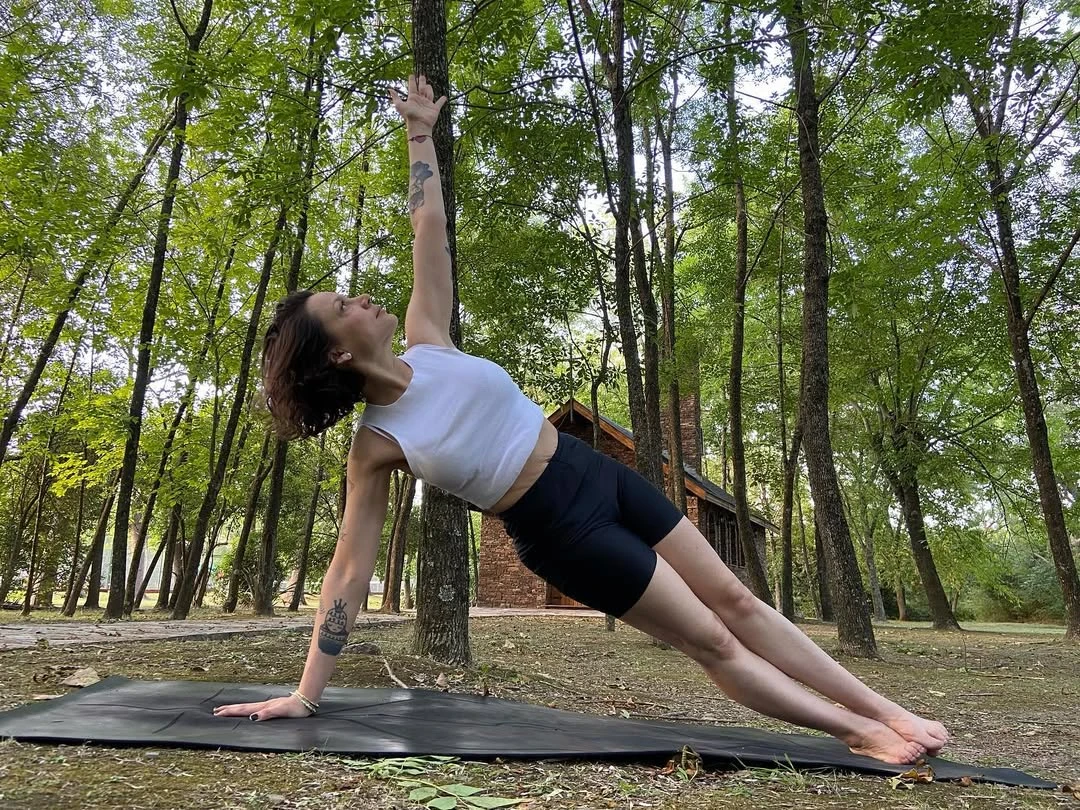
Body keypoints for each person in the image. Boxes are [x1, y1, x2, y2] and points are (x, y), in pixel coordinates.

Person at [214, 75, 948, 765]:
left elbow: (427, 224)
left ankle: (890, 712)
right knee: (712, 640)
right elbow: (348, 569)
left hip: (597, 473)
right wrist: (306, 693)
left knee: (736, 599)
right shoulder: (377, 443)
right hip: (560, 530)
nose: (362, 299)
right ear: (338, 354)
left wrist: (419, 134)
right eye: (343, 307)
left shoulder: (427, 338)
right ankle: (860, 734)